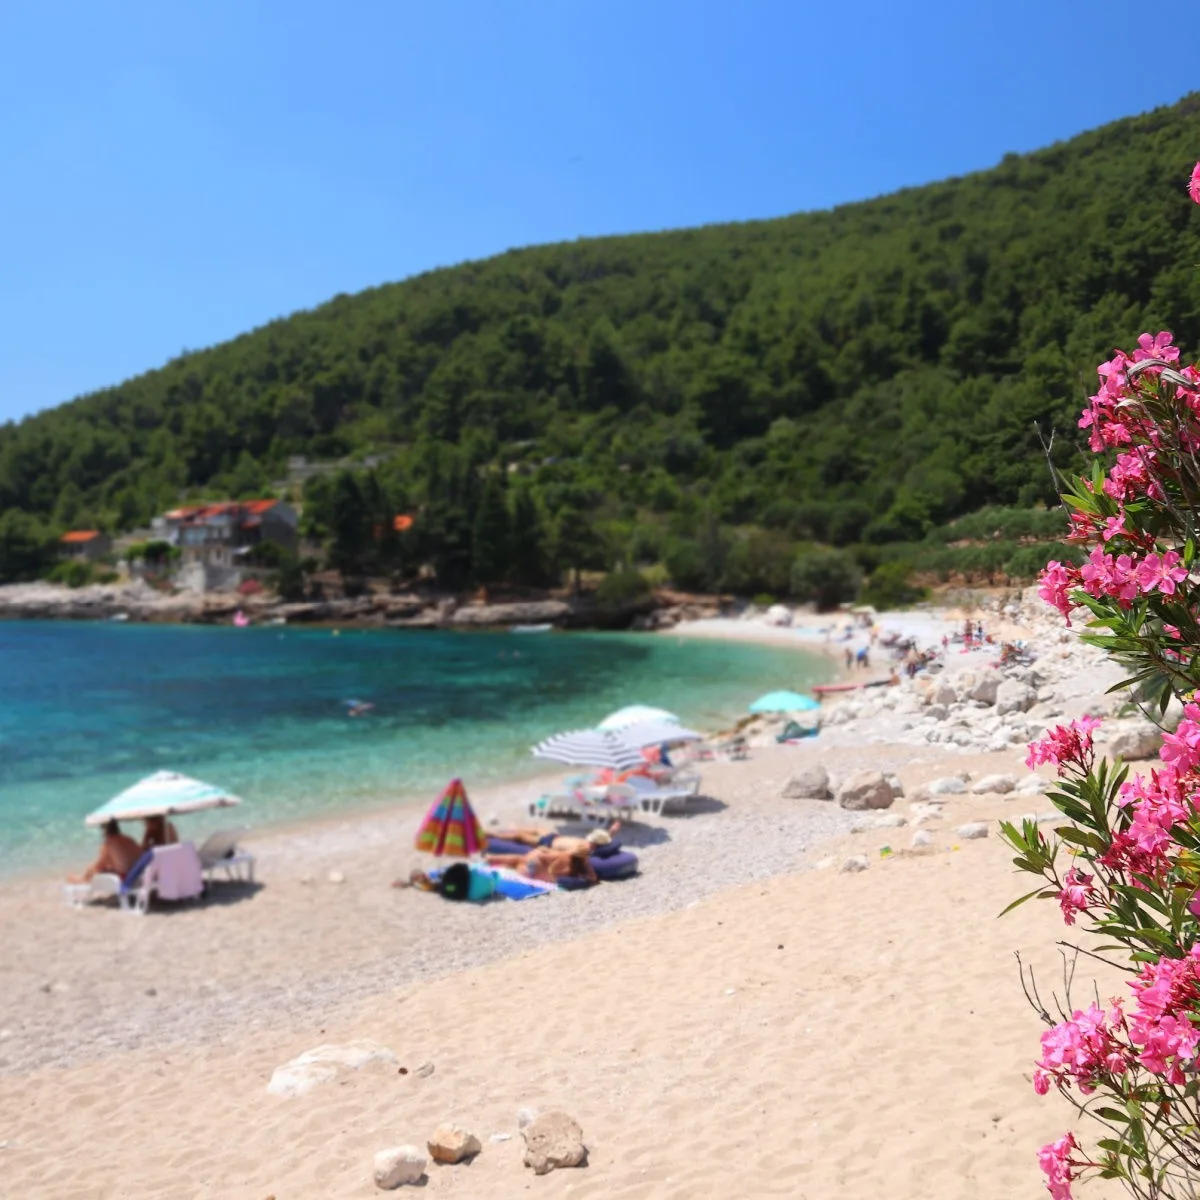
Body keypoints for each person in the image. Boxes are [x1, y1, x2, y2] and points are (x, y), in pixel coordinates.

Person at [67, 820, 142, 884]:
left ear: (105, 830)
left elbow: (98, 865)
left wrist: (87, 873)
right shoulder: (128, 839)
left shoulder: (108, 843)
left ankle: (82, 880)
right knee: (104, 867)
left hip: (127, 877)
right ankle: (82, 878)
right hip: (139, 874)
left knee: (95, 869)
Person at [486, 845, 599, 885]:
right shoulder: (578, 869)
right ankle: (493, 861)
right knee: (517, 862)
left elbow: (550, 867)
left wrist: (541, 852)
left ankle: (491, 858)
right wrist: (587, 863)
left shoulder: (564, 856)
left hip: (535, 868)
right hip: (536, 873)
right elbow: (593, 878)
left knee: (518, 859)